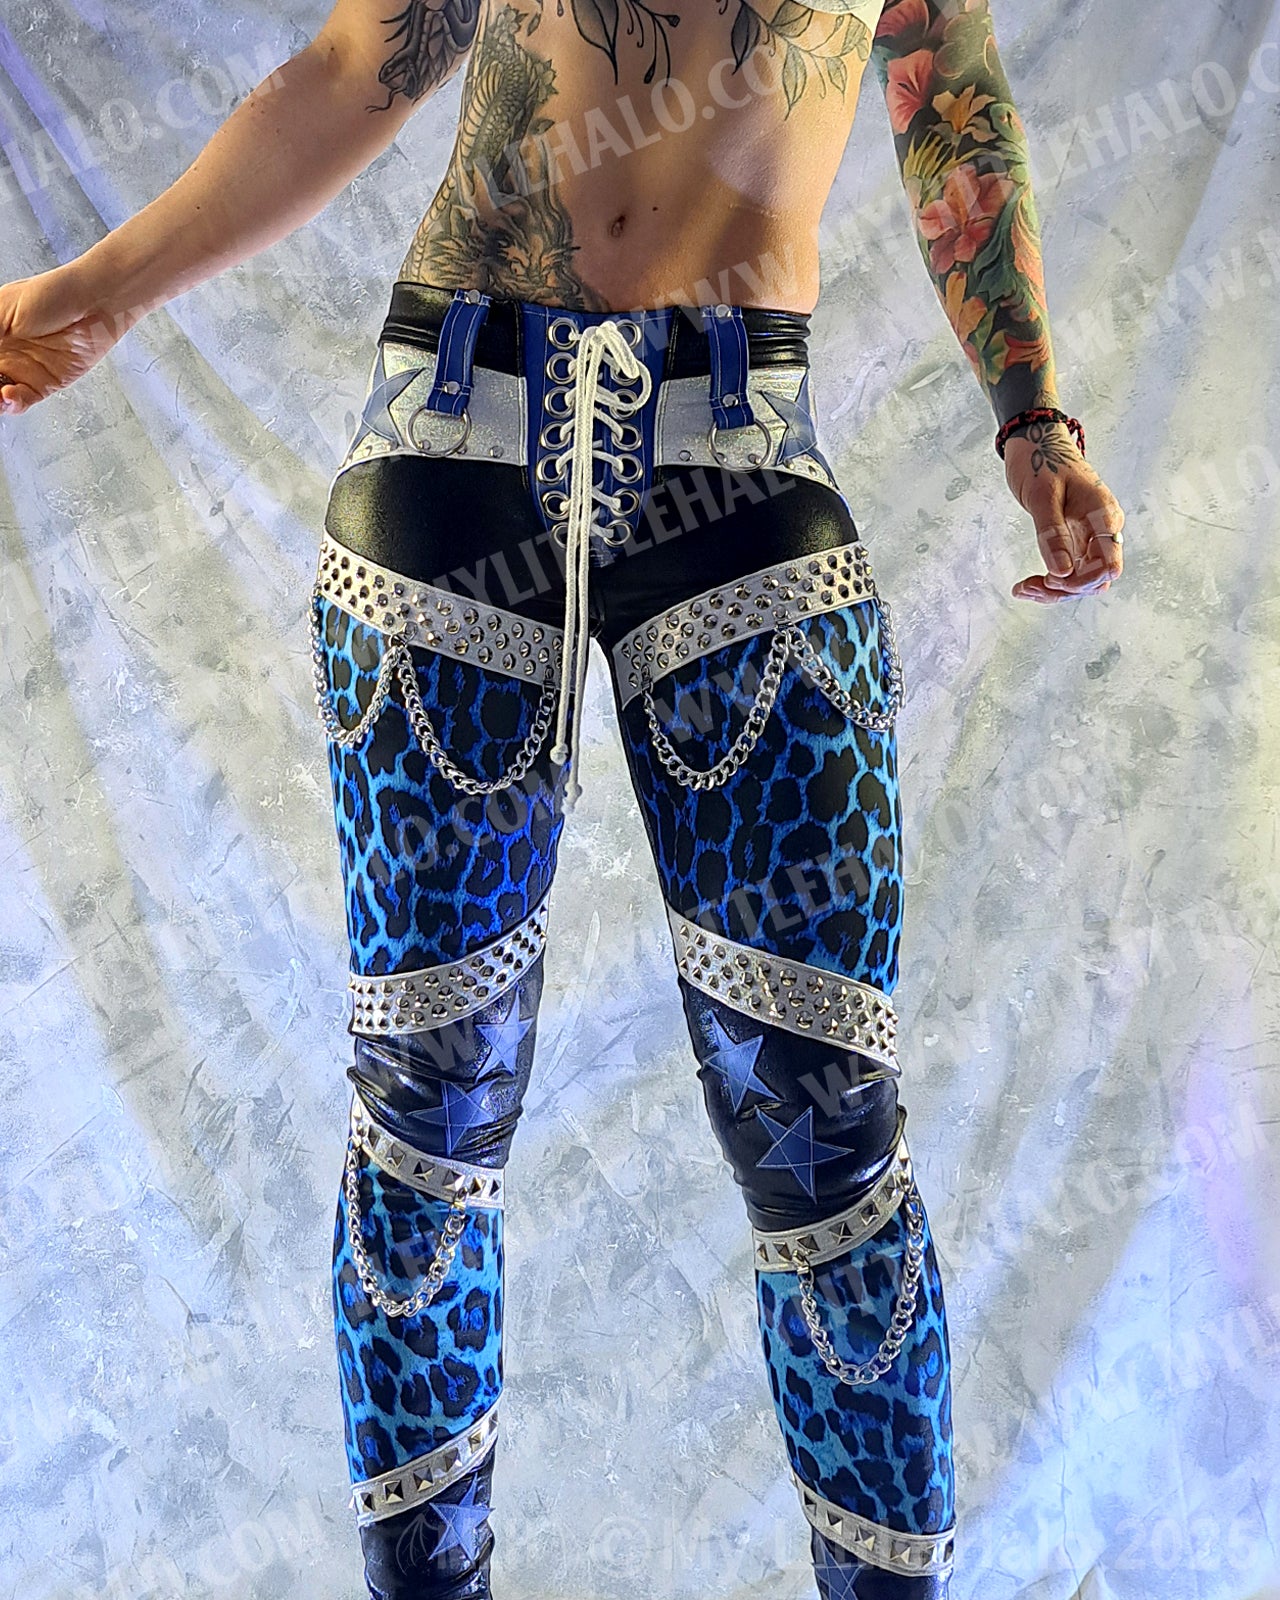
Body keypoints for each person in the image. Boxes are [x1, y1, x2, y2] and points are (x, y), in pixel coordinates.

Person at [0, 2, 1126, 1596]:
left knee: (831, 1138)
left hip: (743, 462)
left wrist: (1033, 418)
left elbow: (953, 107)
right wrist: (87, 294)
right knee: (424, 1122)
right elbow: (357, 67)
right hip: (452, 440)